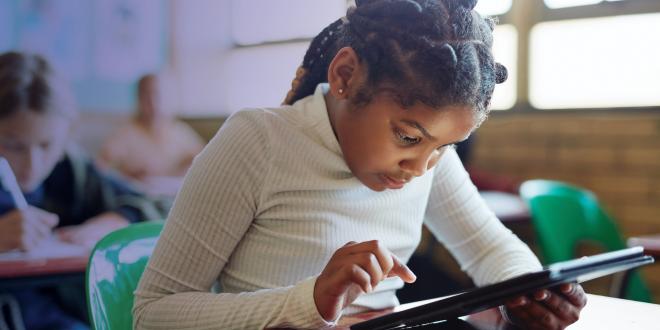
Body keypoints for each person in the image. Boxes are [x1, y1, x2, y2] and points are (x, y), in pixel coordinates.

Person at [134, 1, 587, 329]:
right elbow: (154, 313)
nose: (419, 167)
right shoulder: (259, 141)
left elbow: (489, 250)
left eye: (444, 147)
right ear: (345, 76)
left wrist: (529, 294)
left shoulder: (426, 162)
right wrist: (307, 302)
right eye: (408, 137)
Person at [0, 52, 165, 330]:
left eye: (46, 145)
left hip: (72, 315)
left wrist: (117, 220)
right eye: (13, 145)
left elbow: (158, 204)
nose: (32, 164)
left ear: (66, 135)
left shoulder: (71, 170)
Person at [98, 74, 205, 186]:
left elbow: (204, 158)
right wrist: (126, 177)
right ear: (139, 99)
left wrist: (188, 163)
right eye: (147, 96)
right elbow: (101, 169)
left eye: (158, 95)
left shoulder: (180, 131)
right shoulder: (125, 134)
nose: (153, 103)